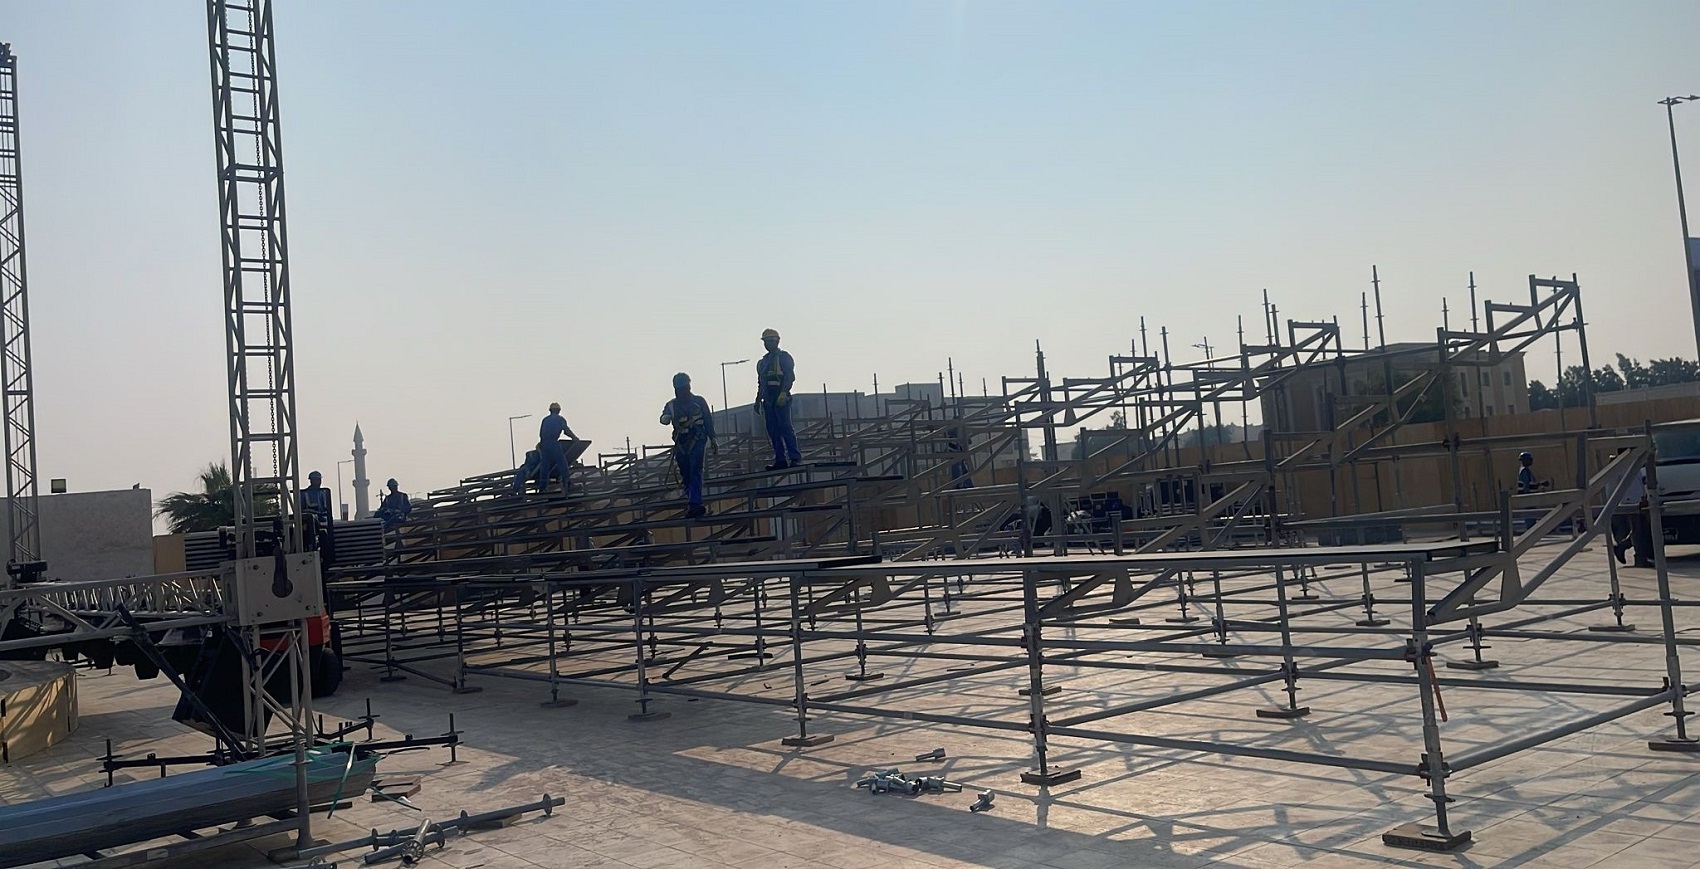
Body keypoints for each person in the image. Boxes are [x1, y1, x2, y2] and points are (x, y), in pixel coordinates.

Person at [660, 372, 716, 518]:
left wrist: (713, 438)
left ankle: (695, 503)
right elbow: (664, 417)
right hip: (681, 443)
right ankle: (693, 503)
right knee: (686, 474)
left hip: (697, 440)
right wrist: (665, 418)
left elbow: (708, 420)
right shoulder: (671, 405)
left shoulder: (699, 401)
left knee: (695, 470)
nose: (684, 391)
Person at [754, 328, 801, 471]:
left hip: (780, 397)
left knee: (785, 427)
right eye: (765, 341)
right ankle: (780, 459)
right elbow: (761, 382)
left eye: (770, 341)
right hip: (768, 399)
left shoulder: (784, 357)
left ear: (777, 341)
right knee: (773, 430)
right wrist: (758, 400)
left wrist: (784, 392)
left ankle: (795, 457)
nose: (767, 344)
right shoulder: (762, 362)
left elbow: (789, 376)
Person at [1611, 459, 1653, 568]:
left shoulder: (1636, 465)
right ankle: (1639, 558)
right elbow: (1613, 487)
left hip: (1639, 501)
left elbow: (1641, 482)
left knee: (1640, 530)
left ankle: (1623, 547)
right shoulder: (1622, 467)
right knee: (1638, 530)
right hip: (1630, 502)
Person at [537, 401, 580, 497]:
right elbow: (566, 430)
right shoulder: (560, 419)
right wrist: (574, 438)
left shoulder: (545, 420)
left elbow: (541, 434)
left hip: (544, 443)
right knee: (562, 463)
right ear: (559, 410)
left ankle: (542, 488)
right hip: (553, 442)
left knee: (545, 466)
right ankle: (567, 484)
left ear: (550, 410)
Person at [299, 470, 336, 565]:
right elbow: (301, 511)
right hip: (310, 524)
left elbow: (326, 509)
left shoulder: (323, 492)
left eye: (319, 479)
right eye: (316, 479)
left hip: (323, 521)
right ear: (311, 480)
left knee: (328, 537)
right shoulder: (304, 494)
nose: (318, 482)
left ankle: (328, 558)